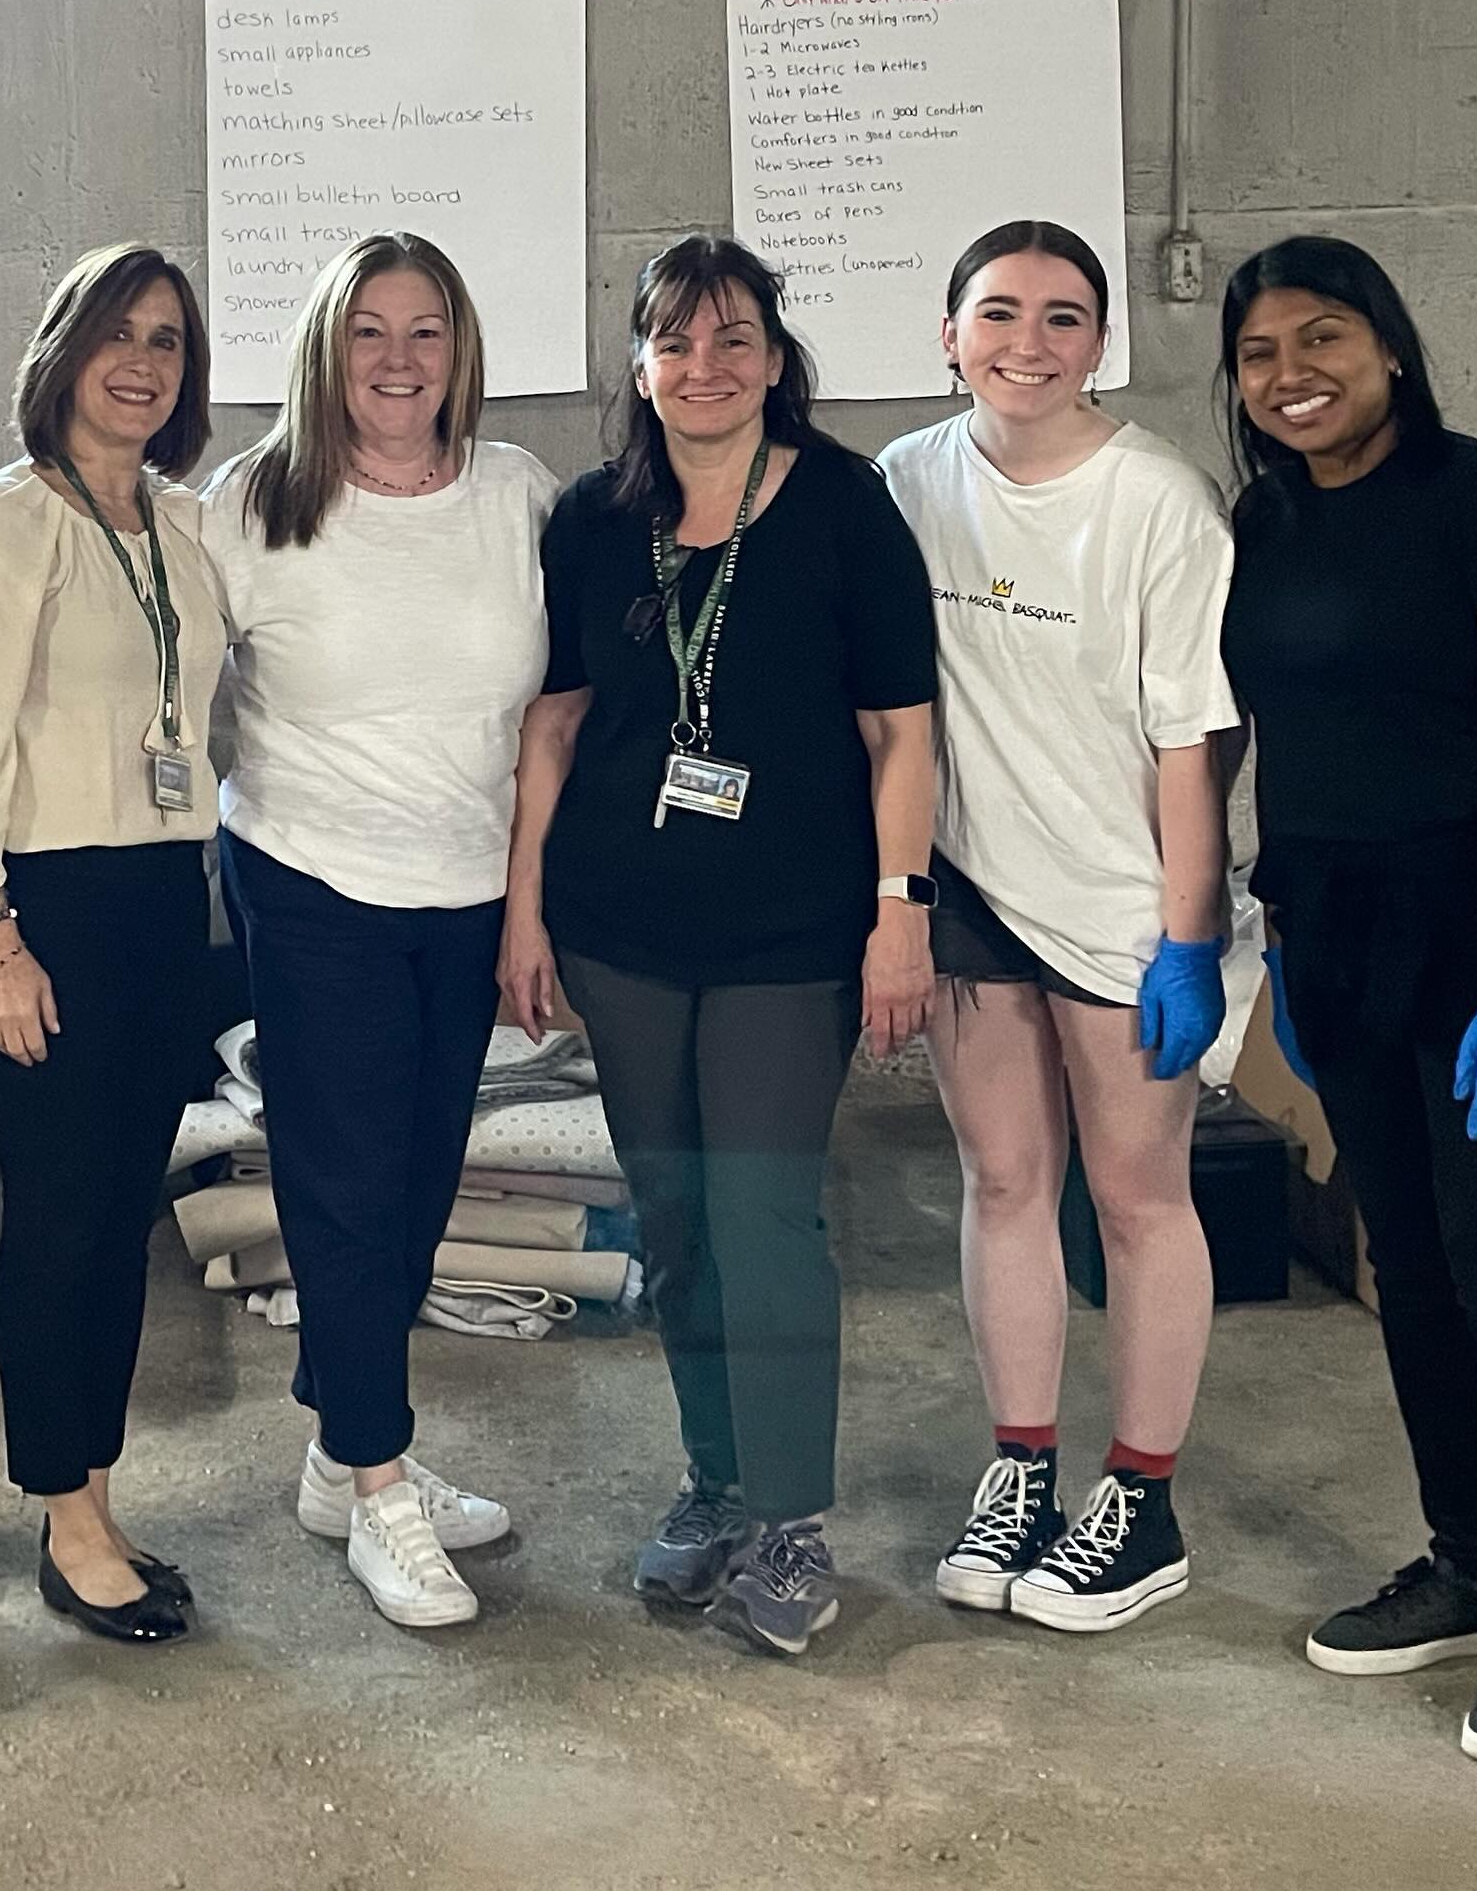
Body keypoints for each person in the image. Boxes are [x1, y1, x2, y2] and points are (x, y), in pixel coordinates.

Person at [1218, 235, 1477, 1771]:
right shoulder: (1259, 521)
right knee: (1410, 1261)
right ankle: (1471, 1559)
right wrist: (1245, 941)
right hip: (1338, 933)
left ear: (1390, 347)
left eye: (1325, 338)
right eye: (1262, 353)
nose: (1294, 375)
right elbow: (1260, 738)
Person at [500, 235, 937, 1660]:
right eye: (677, 342)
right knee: (675, 1221)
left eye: (733, 338)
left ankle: (795, 1517)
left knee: (763, 1218)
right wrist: (527, 913)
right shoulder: (587, 518)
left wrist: (898, 914)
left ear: (775, 356)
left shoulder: (845, 509)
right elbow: (554, 723)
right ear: (638, 363)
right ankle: (719, 1479)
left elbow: (901, 735)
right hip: (622, 929)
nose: (706, 367)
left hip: (787, 935)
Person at [876, 220, 1234, 1634]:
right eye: (1001, 314)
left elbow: (1191, 747)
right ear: (949, 333)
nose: (1030, 343)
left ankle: (1139, 1501)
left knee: (1141, 1199)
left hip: (1119, 905)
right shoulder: (908, 481)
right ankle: (1022, 1463)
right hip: (971, 892)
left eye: (1066, 318)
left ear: (1103, 342)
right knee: (1007, 1184)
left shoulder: (1159, 503)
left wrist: (1188, 935)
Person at [204, 232, 554, 1634]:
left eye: (426, 332)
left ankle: (337, 1454)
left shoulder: (518, 492)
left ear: (462, 350)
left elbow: (547, 719)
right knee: (344, 1189)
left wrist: (531, 896)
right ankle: (384, 1481)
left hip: (464, 882)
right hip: (310, 872)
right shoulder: (254, 503)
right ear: (324, 351)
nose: (399, 360)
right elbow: (176, 684)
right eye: (368, 333)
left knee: (413, 1182)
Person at [0, 243, 225, 1646]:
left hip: (164, 896)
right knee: (57, 1220)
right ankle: (65, 1514)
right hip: (41, 905)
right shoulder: (1, 523)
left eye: (166, 339)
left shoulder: (182, 525)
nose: (142, 362)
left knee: (119, 1221)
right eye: (117, 333)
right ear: (64, 351)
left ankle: (93, 1487)